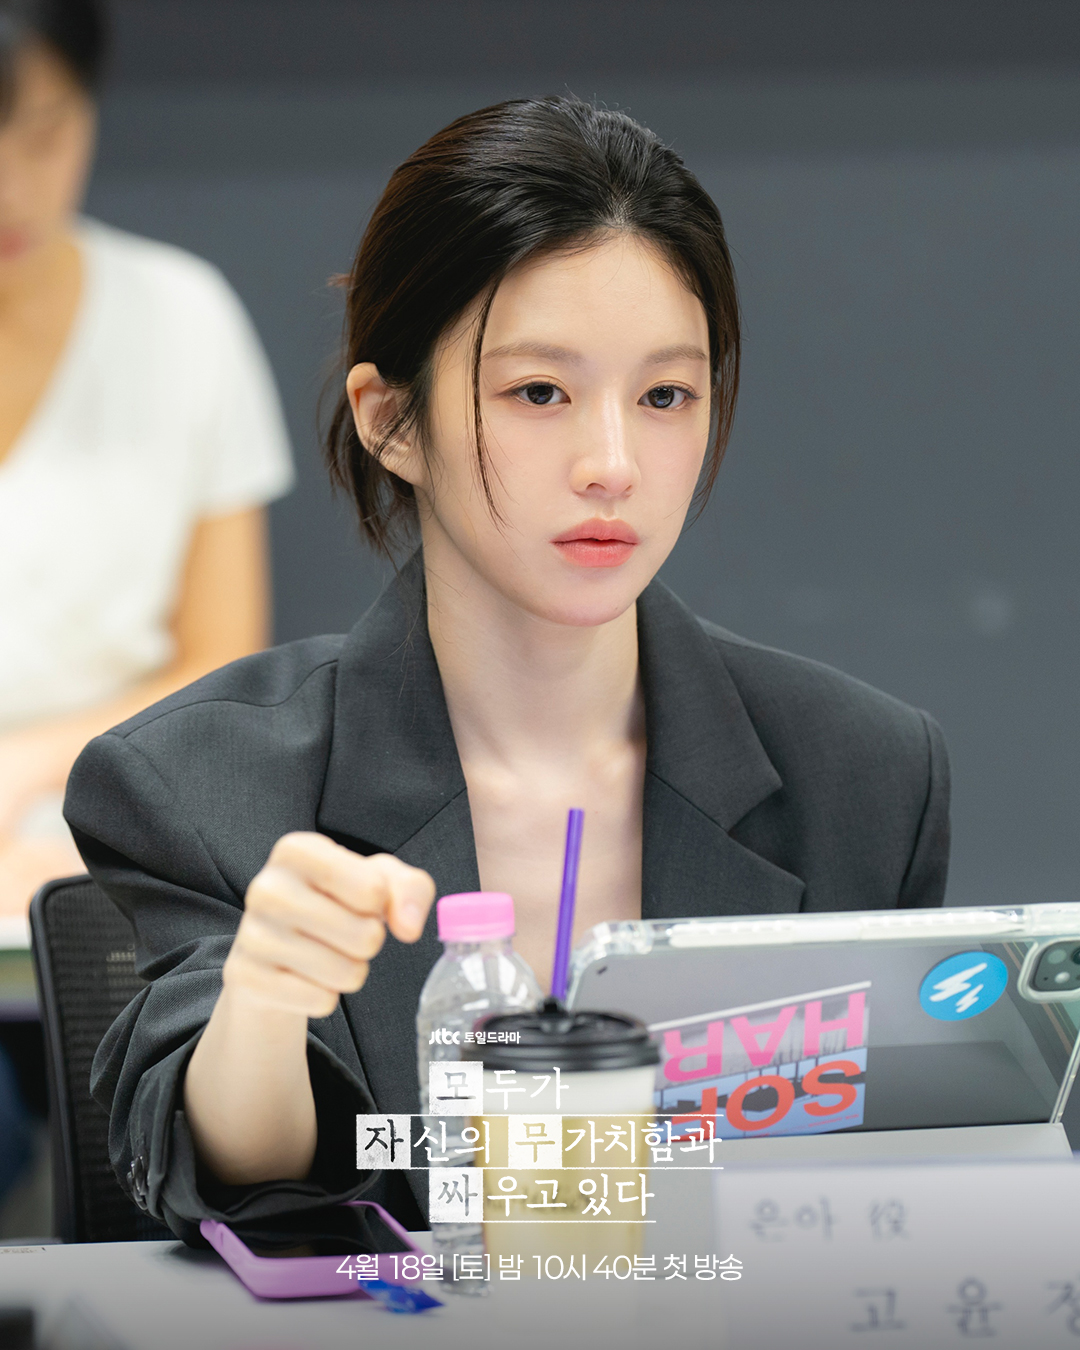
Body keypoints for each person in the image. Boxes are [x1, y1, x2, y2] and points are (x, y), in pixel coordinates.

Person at [66, 98, 950, 1242]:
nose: (613, 464)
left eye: (666, 396)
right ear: (392, 421)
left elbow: (894, 1186)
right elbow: (236, 1180)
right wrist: (263, 1006)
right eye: (540, 393)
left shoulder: (864, 777)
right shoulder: (202, 782)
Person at [0, 0, 294, 917]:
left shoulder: (180, 319)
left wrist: (28, 768)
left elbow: (222, 659)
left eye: (45, 133)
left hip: (98, 823)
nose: (12, 187)